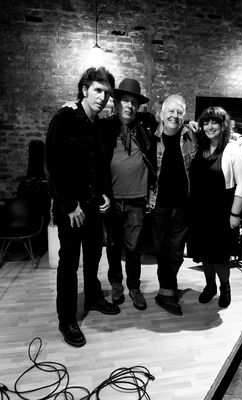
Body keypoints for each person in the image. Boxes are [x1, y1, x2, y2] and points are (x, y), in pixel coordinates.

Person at [45, 67, 120, 348]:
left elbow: (98, 166)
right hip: (71, 209)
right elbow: (52, 165)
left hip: (92, 206)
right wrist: (69, 204)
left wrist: (104, 195)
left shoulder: (98, 124)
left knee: (92, 256)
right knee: (68, 263)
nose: (102, 97)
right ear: (85, 89)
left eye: (106, 93)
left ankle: (93, 297)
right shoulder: (65, 118)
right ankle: (66, 318)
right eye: (98, 90)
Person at [187, 106, 242, 308]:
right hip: (199, 212)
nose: (209, 126)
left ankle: (225, 286)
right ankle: (209, 286)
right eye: (206, 122)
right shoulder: (200, 146)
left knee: (220, 257)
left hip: (221, 212)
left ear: (224, 125)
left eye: (214, 122)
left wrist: (235, 214)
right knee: (204, 254)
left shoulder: (233, 149)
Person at [103, 78, 157, 311]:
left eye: (134, 102)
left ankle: (134, 287)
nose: (129, 106)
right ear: (116, 103)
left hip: (136, 200)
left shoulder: (145, 128)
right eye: (125, 100)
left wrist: (192, 125)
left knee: (134, 248)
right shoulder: (105, 129)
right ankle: (116, 284)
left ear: (139, 106)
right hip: (111, 199)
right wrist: (72, 106)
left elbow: (172, 123)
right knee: (113, 245)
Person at [148, 94, 198, 316]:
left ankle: (167, 290)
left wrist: (236, 138)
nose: (174, 116)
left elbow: (218, 134)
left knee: (176, 252)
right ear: (161, 114)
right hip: (159, 205)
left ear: (184, 116)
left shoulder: (191, 136)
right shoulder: (151, 138)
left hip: (183, 206)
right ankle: (167, 291)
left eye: (179, 112)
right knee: (161, 250)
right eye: (170, 111)